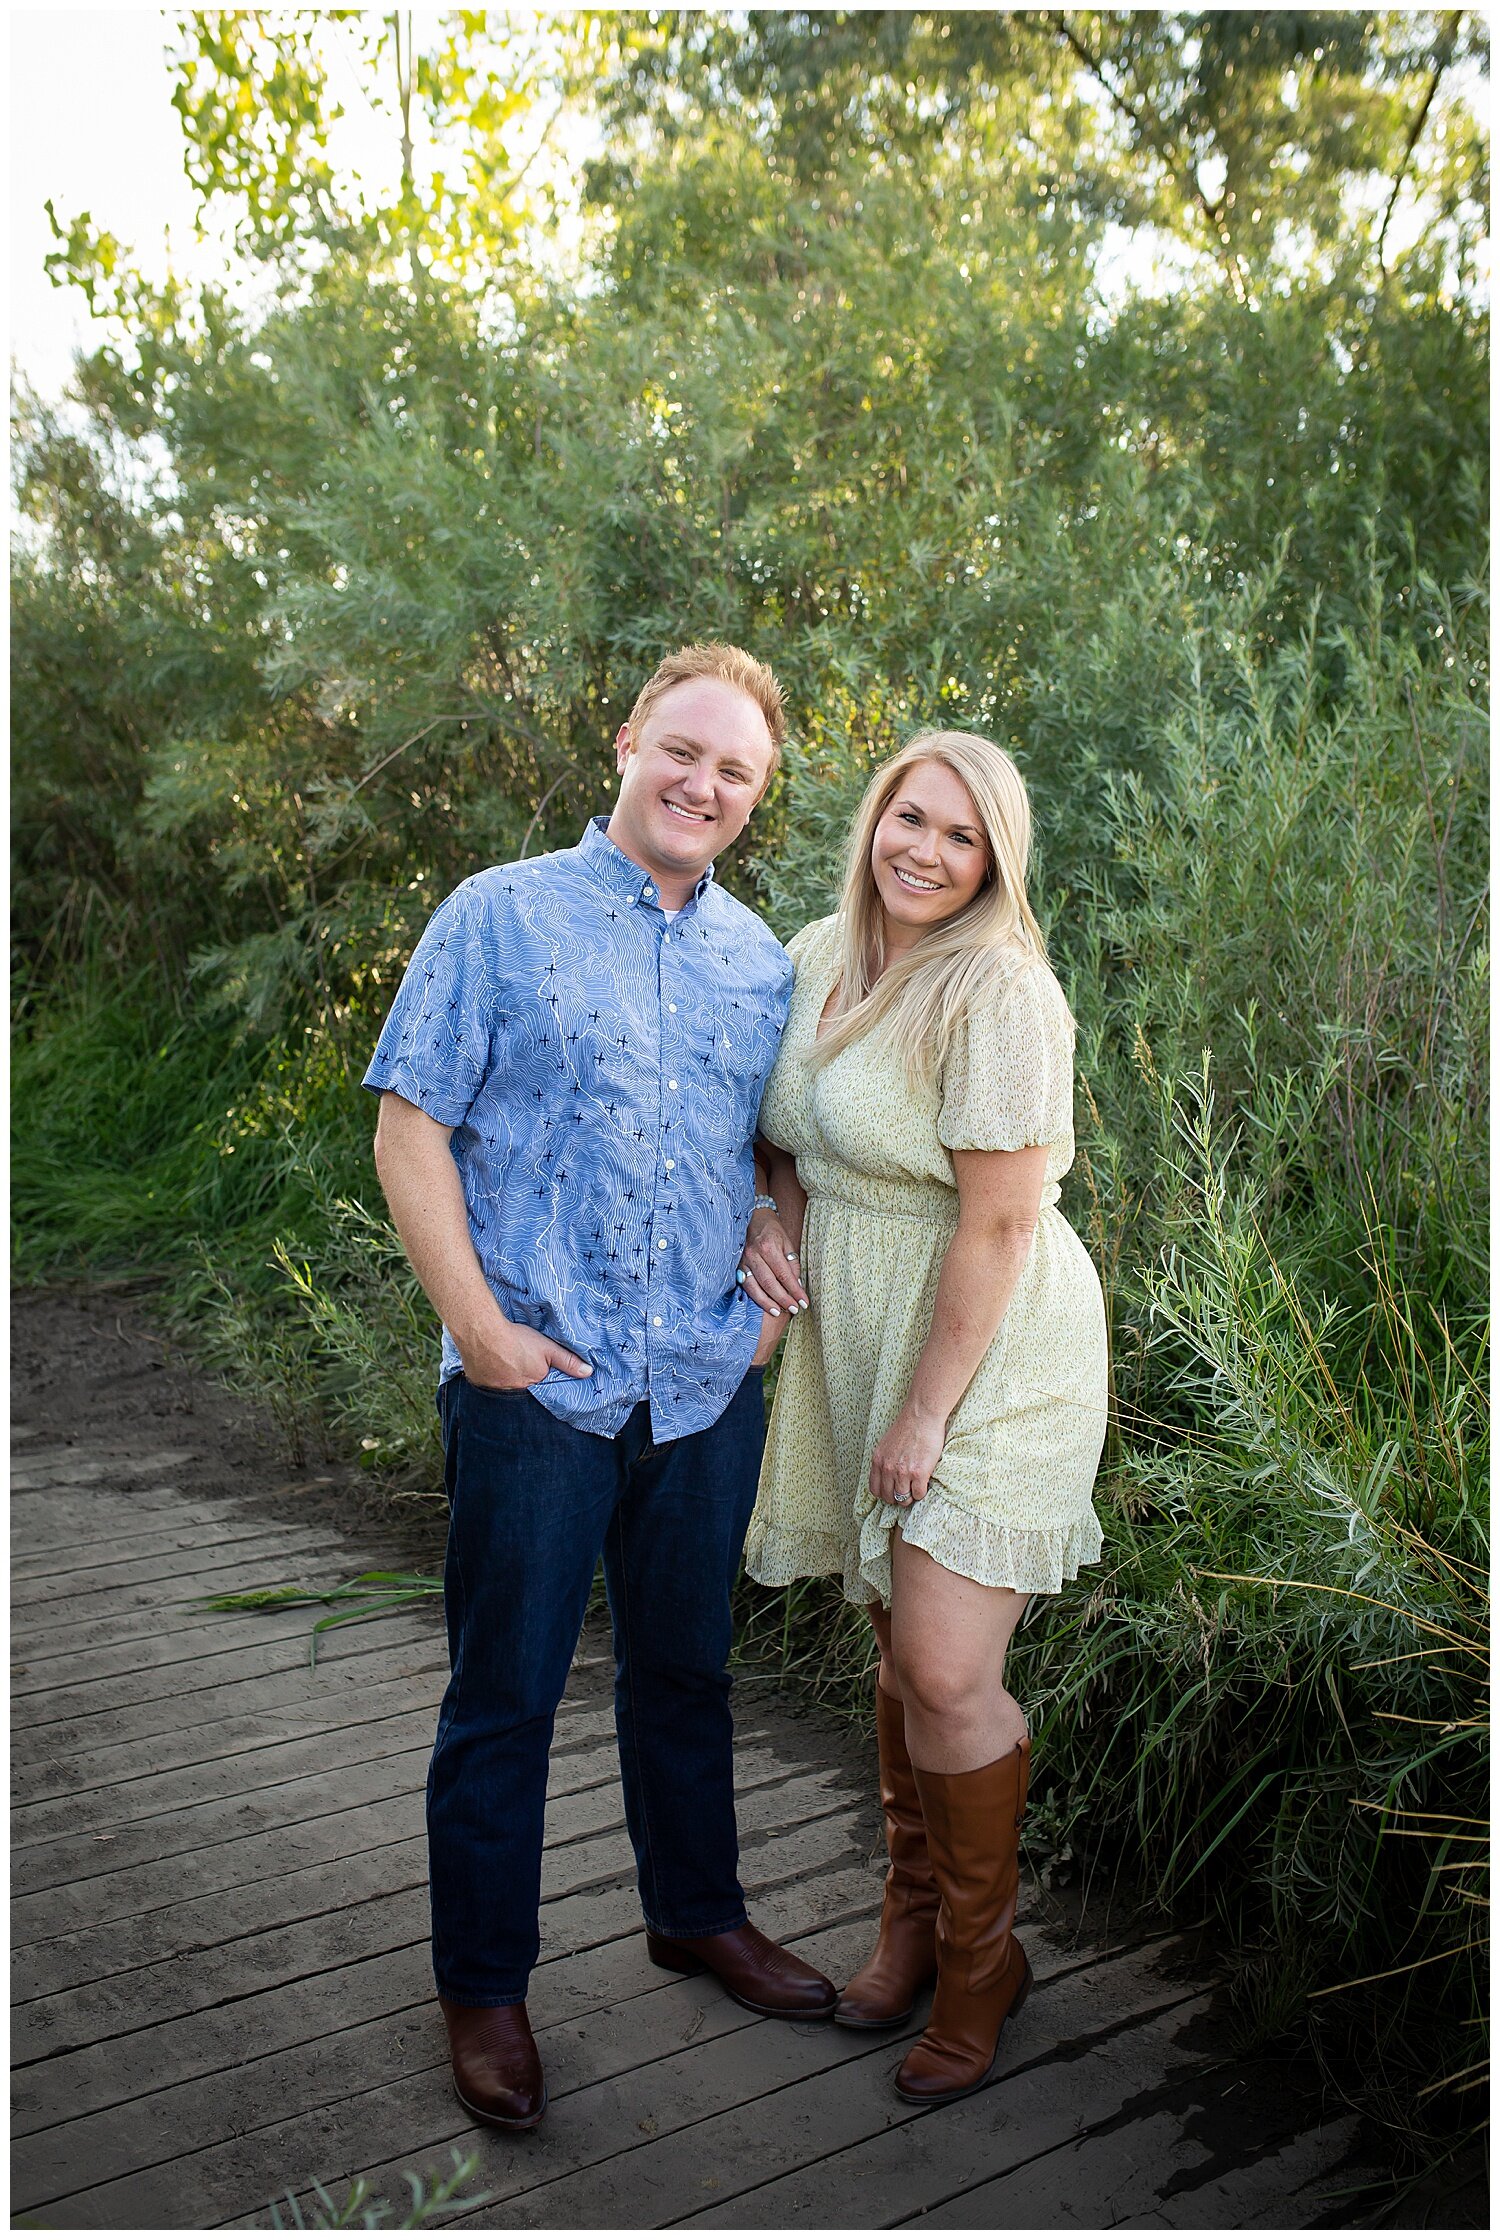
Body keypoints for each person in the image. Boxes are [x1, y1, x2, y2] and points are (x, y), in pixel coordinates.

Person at [364, 643, 836, 2134]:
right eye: (681, 751)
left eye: (736, 770)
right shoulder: (498, 915)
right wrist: (480, 1330)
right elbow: (409, 1126)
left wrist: (774, 1233)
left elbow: (779, 1141)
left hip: (702, 1382)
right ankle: (485, 1987)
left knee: (689, 1674)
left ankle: (695, 1912)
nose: (703, 783)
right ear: (626, 741)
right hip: (536, 1384)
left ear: (758, 796)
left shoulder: (761, 961)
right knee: (503, 1697)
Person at [739, 729, 1108, 2106]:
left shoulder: (999, 992)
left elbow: (1004, 1222)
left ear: (994, 862)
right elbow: (779, 1131)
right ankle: (908, 1926)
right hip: (863, 1321)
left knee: (948, 1668)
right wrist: (769, 1226)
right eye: (914, 819)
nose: (928, 853)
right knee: (899, 1649)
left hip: (986, 1341)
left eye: (963, 838)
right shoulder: (814, 957)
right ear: (875, 818)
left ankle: (979, 1966)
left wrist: (925, 1414)